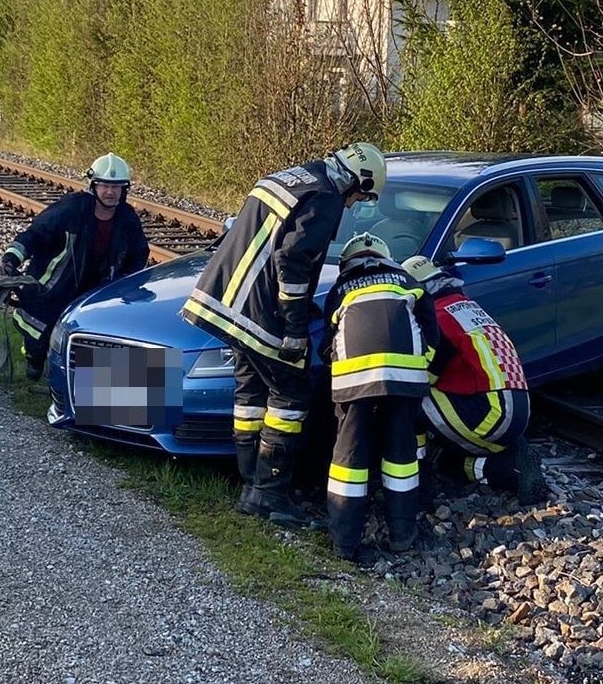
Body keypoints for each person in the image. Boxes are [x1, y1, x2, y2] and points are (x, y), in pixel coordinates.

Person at [181, 143, 386, 523]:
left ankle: (250, 487)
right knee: (291, 393)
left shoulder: (293, 176)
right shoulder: (326, 198)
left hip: (224, 298)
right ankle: (270, 494)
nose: (355, 204)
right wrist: (295, 328)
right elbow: (291, 259)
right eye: (361, 195)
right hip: (261, 313)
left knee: (250, 396)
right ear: (359, 179)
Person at [318, 233, 440, 563]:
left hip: (354, 380)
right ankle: (402, 535)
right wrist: (419, 363)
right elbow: (432, 334)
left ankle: (344, 542)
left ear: (347, 263)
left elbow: (326, 345)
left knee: (349, 460)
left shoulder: (341, 288)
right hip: (405, 378)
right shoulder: (409, 281)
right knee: (401, 456)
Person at [401, 255, 548, 505]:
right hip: (516, 407)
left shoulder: (436, 317)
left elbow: (426, 375)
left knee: (408, 397)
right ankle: (511, 456)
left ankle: (417, 474)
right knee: (451, 462)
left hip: (490, 413)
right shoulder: (465, 306)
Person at [0, 152, 149, 381]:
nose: (110, 192)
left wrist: (127, 285)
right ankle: (34, 359)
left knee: (94, 336)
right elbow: (36, 235)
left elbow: (139, 254)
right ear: (93, 186)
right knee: (42, 329)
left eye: (116, 187)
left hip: (98, 287)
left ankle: (89, 386)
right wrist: (10, 259)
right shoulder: (71, 209)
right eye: (104, 185)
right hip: (56, 286)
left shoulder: (127, 219)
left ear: (124, 190)